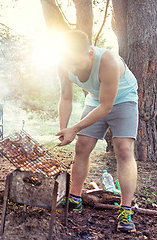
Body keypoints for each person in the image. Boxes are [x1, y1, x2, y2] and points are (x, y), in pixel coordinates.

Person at [56, 30, 138, 233]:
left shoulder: (107, 60)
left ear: (90, 53)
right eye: (69, 63)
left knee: (123, 149)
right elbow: (66, 97)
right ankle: (75, 198)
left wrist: (75, 128)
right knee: (82, 145)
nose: (73, 68)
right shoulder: (64, 64)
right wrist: (64, 129)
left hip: (123, 98)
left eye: (77, 62)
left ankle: (126, 209)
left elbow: (106, 106)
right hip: (95, 99)